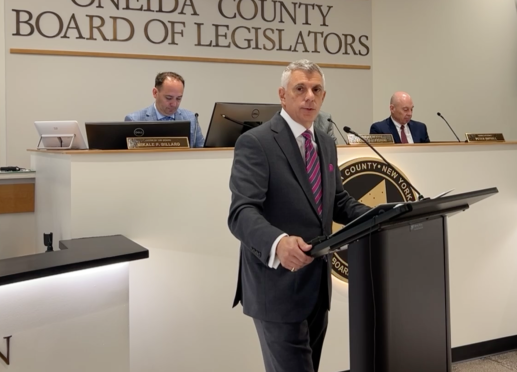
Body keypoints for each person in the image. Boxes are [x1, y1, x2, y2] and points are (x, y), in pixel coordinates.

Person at [227, 59, 370, 372]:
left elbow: (338, 201)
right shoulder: (256, 142)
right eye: (300, 89)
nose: (309, 96)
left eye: (316, 90)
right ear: (282, 95)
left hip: (316, 287)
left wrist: (384, 215)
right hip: (276, 287)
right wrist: (278, 243)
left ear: (324, 96)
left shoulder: (326, 143)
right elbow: (241, 212)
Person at [125, 71, 204, 147]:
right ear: (155, 93)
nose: (174, 104)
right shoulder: (134, 120)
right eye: (169, 98)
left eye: (178, 98)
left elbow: (203, 152)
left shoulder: (192, 118)